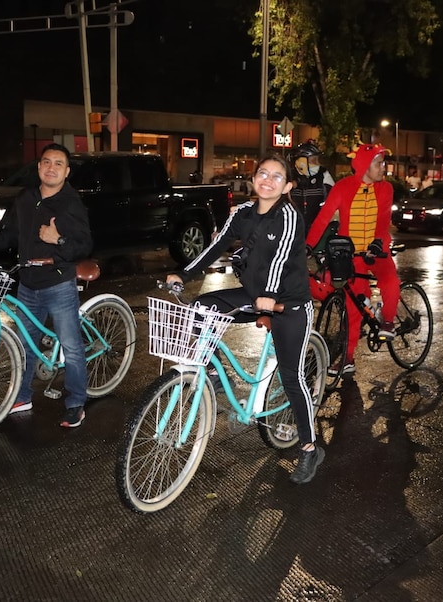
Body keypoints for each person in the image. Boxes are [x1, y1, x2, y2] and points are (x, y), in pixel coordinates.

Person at [166, 153, 324, 484]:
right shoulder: (244, 214)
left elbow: (281, 256)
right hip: (256, 297)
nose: (267, 180)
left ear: (287, 186)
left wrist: (268, 294)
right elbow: (216, 246)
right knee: (202, 307)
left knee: (292, 376)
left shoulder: (290, 214)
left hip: (289, 304)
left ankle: (309, 448)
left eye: (276, 176)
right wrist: (183, 273)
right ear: (253, 180)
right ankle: (209, 369)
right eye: (262, 174)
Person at [0, 143, 93, 428]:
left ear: (67, 171)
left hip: (58, 284)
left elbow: (85, 244)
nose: (51, 168)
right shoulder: (26, 198)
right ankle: (22, 396)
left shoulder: (71, 202)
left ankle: (76, 402)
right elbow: (12, 232)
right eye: (46, 162)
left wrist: (58, 240)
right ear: (39, 167)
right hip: (27, 283)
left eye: (58, 164)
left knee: (72, 347)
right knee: (25, 344)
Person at [306, 143, 401, 376]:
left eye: (383, 163)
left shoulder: (386, 189)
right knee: (353, 308)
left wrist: (378, 244)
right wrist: (307, 246)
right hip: (352, 255)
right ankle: (347, 359)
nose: (383, 168)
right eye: (379, 163)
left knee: (390, 282)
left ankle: (388, 321)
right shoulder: (343, 187)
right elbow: (323, 218)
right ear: (365, 165)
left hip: (376, 251)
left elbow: (382, 222)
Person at [289, 140, 335, 231]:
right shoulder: (289, 178)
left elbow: (334, 199)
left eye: (317, 160)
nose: (317, 164)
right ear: (301, 162)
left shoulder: (323, 176)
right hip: (293, 229)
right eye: (313, 161)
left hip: (318, 229)